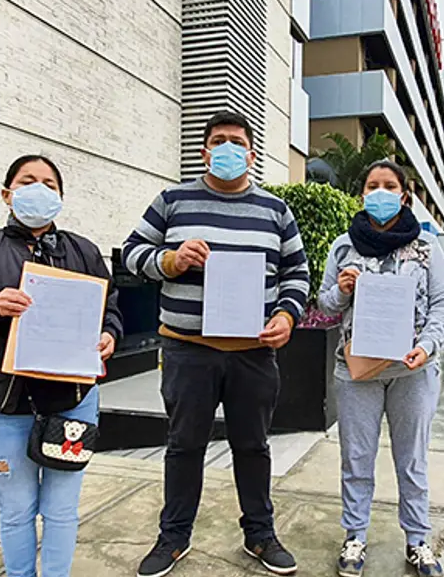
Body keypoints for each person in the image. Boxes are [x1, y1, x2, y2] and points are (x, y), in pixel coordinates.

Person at [122, 111, 310, 577]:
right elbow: (131, 253)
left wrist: (286, 315)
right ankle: (173, 538)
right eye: (219, 140)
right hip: (188, 351)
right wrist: (170, 259)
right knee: (184, 446)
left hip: (253, 353)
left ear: (251, 152)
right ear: (204, 150)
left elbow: (297, 273)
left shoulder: (275, 211)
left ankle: (260, 534)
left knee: (253, 447)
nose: (228, 148)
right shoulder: (173, 201)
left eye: (237, 141)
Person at [0, 155, 124, 577]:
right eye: (28, 181)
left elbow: (110, 307)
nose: (39, 189)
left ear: (61, 197)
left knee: (62, 509)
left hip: (72, 402)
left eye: (49, 184)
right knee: (16, 509)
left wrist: (109, 333)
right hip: (4, 406)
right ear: (6, 193)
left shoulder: (83, 251)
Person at [317, 160, 444, 577]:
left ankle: (418, 539)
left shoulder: (427, 247)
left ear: (404, 195)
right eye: (372, 185)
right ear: (362, 195)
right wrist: (341, 291)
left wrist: (427, 347)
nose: (380, 192)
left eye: (389, 186)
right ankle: (355, 535)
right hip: (357, 371)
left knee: (412, 460)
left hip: (413, 371)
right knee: (356, 457)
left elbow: (442, 304)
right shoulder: (343, 246)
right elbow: (324, 304)